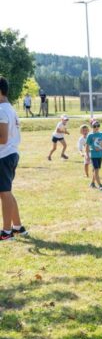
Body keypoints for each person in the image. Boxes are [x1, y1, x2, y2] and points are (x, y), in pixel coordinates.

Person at [0, 76, 28, 241]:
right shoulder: (9, 108)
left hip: (4, 155)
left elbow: (2, 138)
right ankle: (17, 227)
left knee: (5, 193)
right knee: (6, 193)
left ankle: (6, 231)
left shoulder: (2, 110)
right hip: (10, 154)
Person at [86, 120, 102, 191]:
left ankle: (92, 183)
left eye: (98, 125)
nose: (96, 127)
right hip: (93, 155)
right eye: (94, 126)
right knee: (96, 170)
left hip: (100, 154)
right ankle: (100, 185)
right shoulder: (90, 135)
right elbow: (87, 146)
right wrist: (88, 156)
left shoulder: (101, 134)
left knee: (96, 170)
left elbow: (101, 143)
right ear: (92, 126)